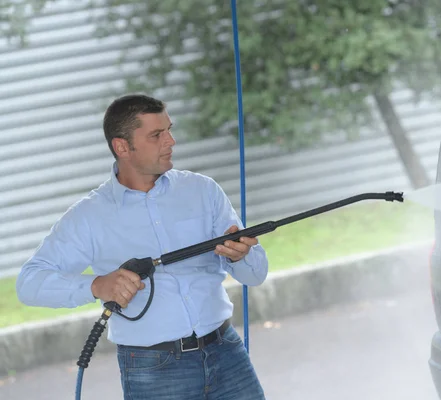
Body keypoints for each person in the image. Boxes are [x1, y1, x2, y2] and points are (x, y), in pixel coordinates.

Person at [16, 94, 269, 400]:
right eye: (156, 135)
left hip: (227, 353)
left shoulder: (202, 191)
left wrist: (242, 257)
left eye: (169, 130)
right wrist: (96, 286)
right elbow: (29, 283)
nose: (171, 141)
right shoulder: (89, 216)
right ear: (122, 147)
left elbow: (255, 275)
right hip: (154, 371)